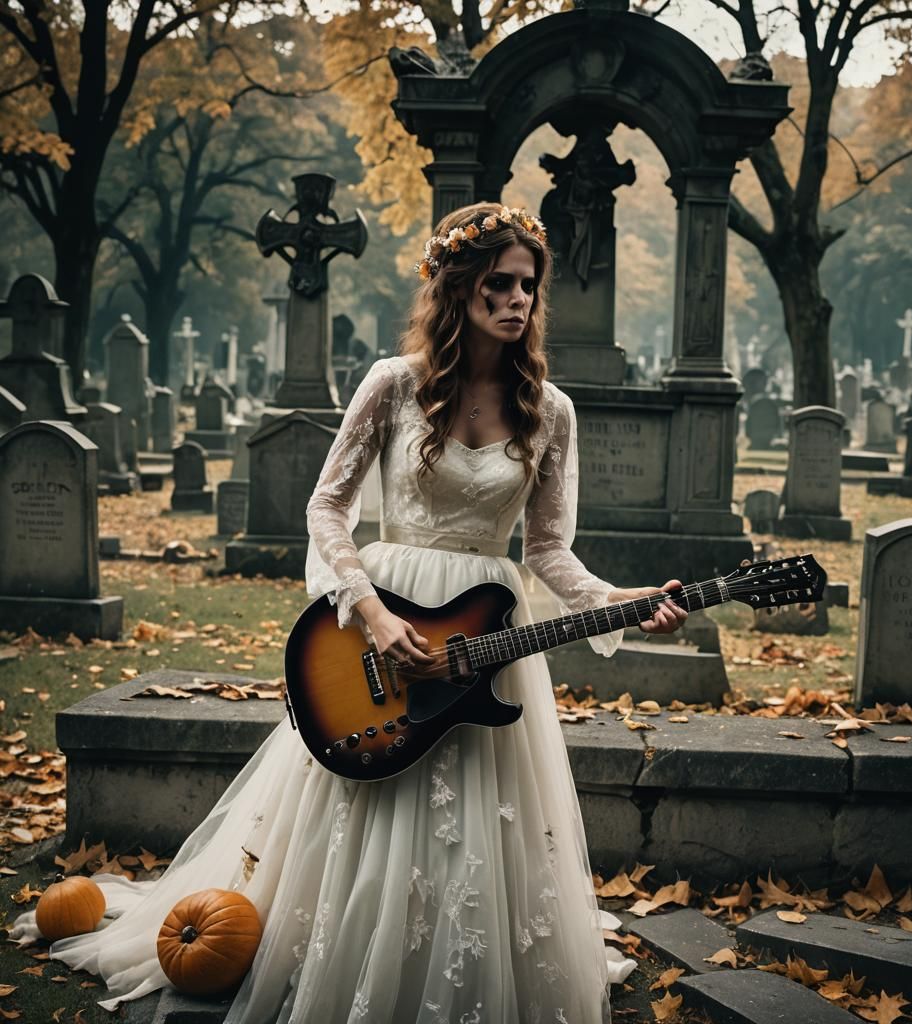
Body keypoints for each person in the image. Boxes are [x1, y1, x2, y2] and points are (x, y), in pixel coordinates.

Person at [11, 201, 687, 1023]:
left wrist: (619, 602)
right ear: (458, 287)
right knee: (370, 802)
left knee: (475, 818)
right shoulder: (394, 385)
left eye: (527, 286)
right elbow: (327, 508)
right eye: (499, 285)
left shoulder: (552, 411)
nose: (518, 300)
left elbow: (547, 550)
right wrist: (370, 611)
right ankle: (346, 957)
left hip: (487, 638)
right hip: (385, 609)